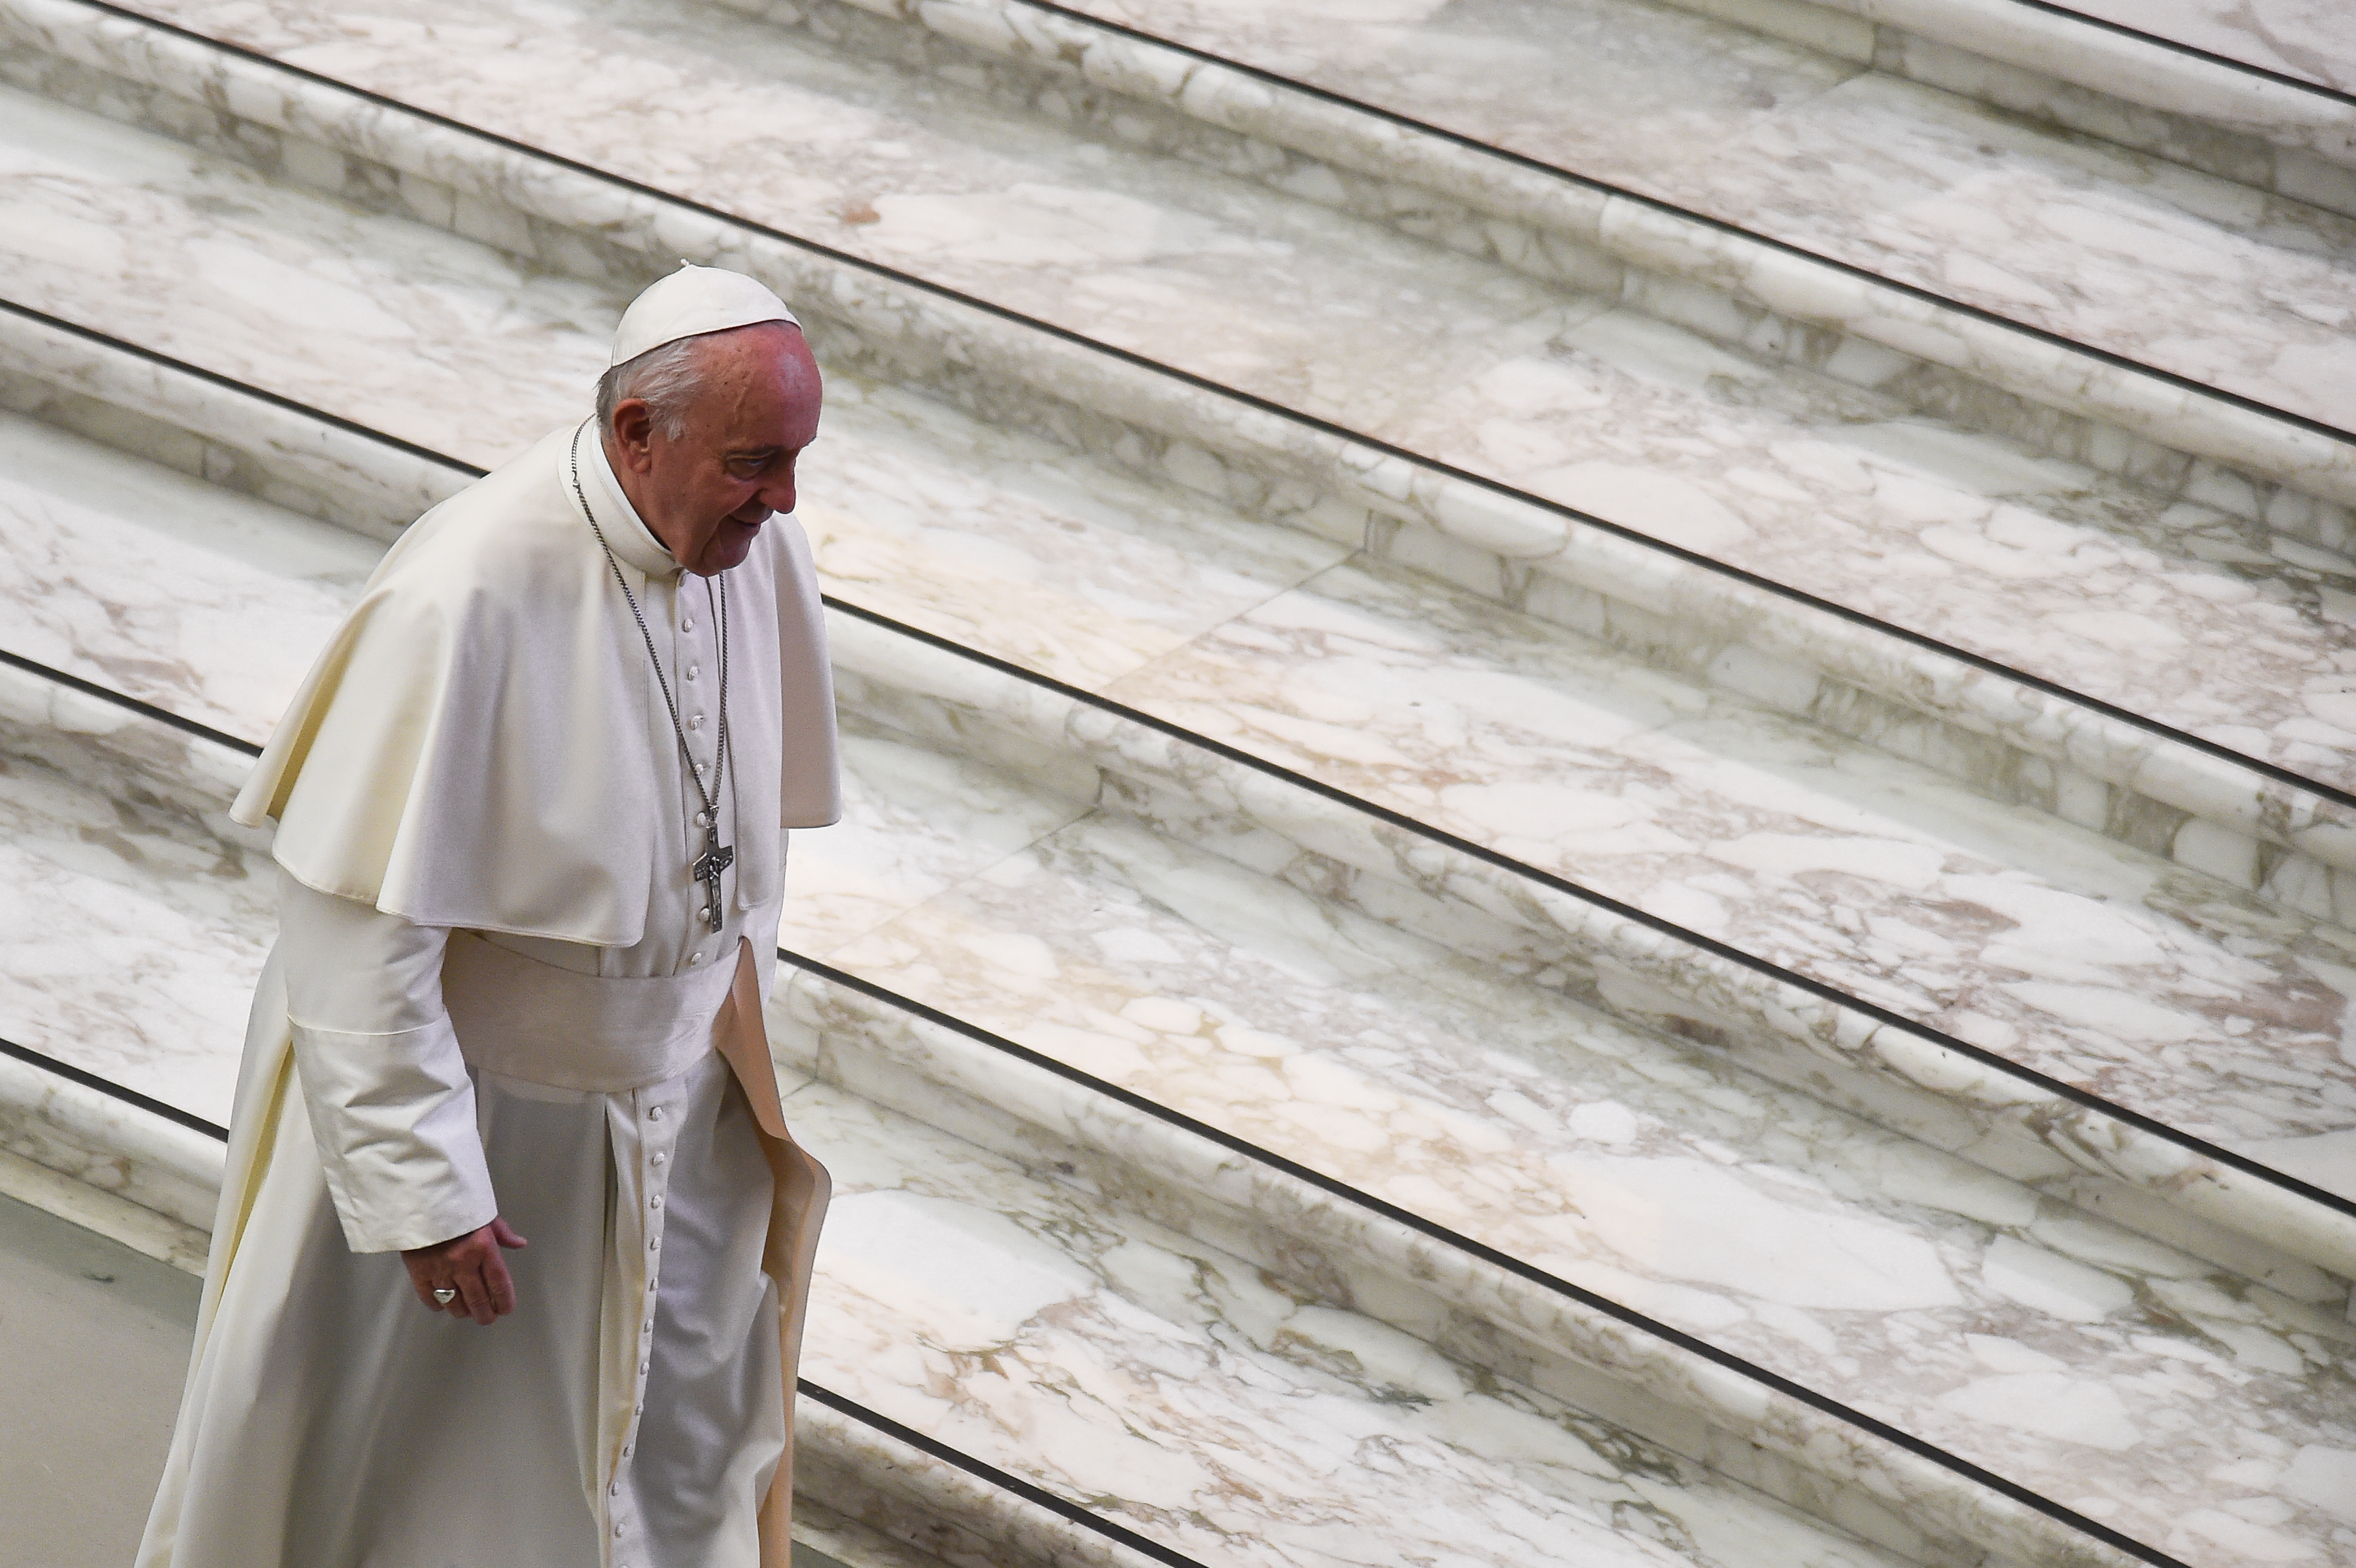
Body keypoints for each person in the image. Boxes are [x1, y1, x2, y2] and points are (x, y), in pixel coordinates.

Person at [137, 264, 842, 1568]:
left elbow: (740, 843)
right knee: (401, 1488)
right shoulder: (463, 590)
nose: (786, 500)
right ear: (640, 432)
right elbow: (356, 930)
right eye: (756, 462)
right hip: (486, 1126)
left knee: (672, 1453)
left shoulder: (758, 550)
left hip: (672, 1117)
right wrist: (426, 1189)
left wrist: (717, 1054)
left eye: (796, 460)